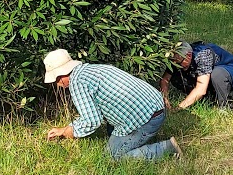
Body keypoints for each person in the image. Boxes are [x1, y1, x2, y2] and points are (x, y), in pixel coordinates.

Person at [40, 48, 180, 163]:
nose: (56, 84)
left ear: (61, 76)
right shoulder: (91, 69)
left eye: (55, 80)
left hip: (147, 118)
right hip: (155, 104)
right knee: (111, 133)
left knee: (113, 157)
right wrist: (67, 128)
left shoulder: (77, 83)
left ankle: (166, 148)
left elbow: (92, 121)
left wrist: (68, 131)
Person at [162, 37, 233, 112]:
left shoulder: (203, 55)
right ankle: (209, 97)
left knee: (217, 74)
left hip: (232, 72)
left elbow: (201, 89)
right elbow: (165, 80)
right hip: (209, 75)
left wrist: (179, 108)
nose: (177, 66)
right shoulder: (177, 58)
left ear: (188, 55)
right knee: (176, 76)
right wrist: (165, 100)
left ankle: (226, 106)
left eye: (179, 63)